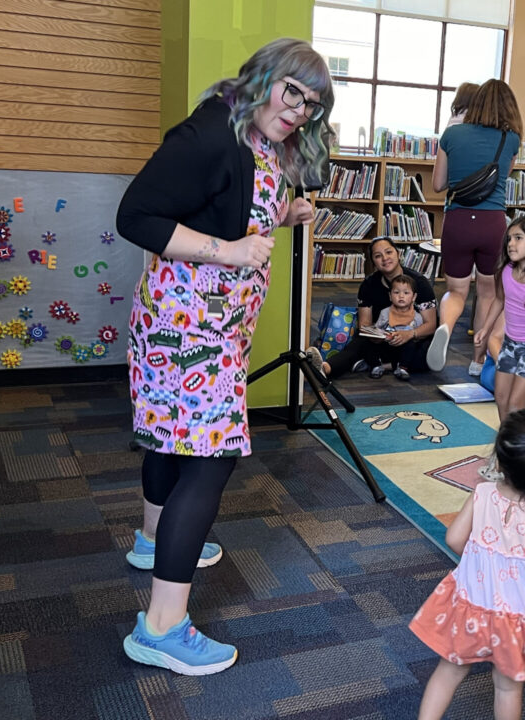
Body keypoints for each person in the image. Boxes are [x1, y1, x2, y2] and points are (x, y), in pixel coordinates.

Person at [116, 38, 333, 674]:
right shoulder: (212, 133)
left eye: (311, 105)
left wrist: (283, 214)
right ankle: (162, 628)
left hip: (210, 329)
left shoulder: (257, 135)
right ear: (263, 76)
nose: (298, 111)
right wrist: (231, 252)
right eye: (292, 92)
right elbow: (136, 215)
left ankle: (151, 540)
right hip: (188, 333)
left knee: (171, 443)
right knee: (210, 461)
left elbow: (226, 206)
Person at [409, 409, 525, 720]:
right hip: (515, 619)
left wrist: (481, 559)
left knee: (449, 670)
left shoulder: (482, 494)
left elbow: (454, 539)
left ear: (500, 460)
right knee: (508, 688)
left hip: (471, 604)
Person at [429, 79, 522, 376]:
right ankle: (478, 360)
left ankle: (445, 326)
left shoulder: (452, 134)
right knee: (487, 294)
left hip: (457, 220)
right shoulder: (511, 139)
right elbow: (504, 175)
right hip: (493, 223)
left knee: (456, 290)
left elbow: (438, 184)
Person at [309, 236, 437, 379]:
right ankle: (326, 368)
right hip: (383, 339)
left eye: (389, 252)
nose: (385, 258)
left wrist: (409, 334)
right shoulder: (369, 285)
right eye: (378, 256)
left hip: (413, 339)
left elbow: (431, 325)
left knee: (428, 354)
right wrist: (377, 336)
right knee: (359, 342)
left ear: (398, 254)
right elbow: (365, 325)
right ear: (373, 262)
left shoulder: (419, 283)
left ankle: (382, 365)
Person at [474, 217, 525, 421]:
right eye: (509, 238)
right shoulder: (505, 271)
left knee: (515, 404)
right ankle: (507, 438)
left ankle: (517, 440)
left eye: (518, 238)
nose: (511, 243)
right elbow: (499, 300)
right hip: (509, 344)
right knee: (501, 398)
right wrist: (485, 329)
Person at [367, 274, 425, 380]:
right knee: (368, 344)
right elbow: (377, 330)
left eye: (406, 293)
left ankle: (402, 368)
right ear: (390, 296)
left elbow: (418, 336)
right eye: (396, 292)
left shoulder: (417, 317)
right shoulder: (385, 313)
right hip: (387, 346)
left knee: (412, 346)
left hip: (404, 350)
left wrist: (409, 337)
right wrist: (379, 336)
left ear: (414, 297)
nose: (401, 296)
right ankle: (376, 366)